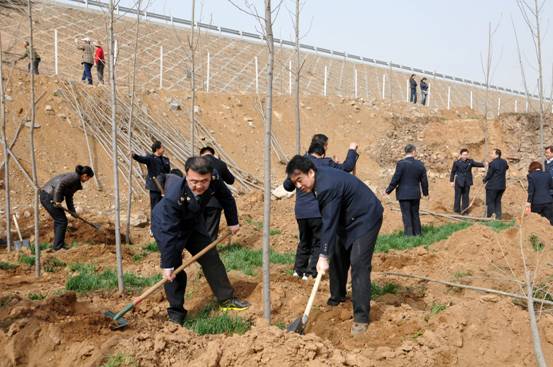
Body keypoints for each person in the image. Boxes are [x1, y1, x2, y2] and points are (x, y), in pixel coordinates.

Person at [286, 155, 384, 335]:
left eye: (300, 180)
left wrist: (323, 256)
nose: (298, 186)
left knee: (358, 263)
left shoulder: (327, 186)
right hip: (345, 218)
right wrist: (327, 252)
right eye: (295, 183)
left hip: (365, 217)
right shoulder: (315, 178)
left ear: (311, 172)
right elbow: (330, 223)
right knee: (338, 255)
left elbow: (329, 222)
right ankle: (337, 298)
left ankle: (361, 318)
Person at [151, 156, 250, 325]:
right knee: (174, 270)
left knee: (211, 258)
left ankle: (226, 299)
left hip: (192, 223)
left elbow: (226, 197)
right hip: (167, 227)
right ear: (187, 176)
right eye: (194, 181)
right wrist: (167, 264)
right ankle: (176, 312)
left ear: (211, 176)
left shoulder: (215, 179)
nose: (199, 186)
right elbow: (169, 233)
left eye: (204, 181)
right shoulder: (173, 197)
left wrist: (233, 221)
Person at [283, 138, 359, 280]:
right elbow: (347, 167)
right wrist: (352, 151)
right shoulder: (325, 163)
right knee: (318, 241)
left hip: (301, 212)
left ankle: (298, 271)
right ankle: (313, 272)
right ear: (323, 150)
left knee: (304, 241)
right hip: (317, 211)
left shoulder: (299, 166)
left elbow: (287, 186)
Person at [40, 165, 94, 251]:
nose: (87, 180)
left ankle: (58, 245)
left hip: (49, 197)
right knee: (61, 220)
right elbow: (60, 184)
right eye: (88, 178)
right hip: (48, 196)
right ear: (85, 175)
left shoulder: (75, 181)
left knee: (60, 220)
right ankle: (58, 247)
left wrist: (73, 212)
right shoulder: (74, 177)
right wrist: (57, 200)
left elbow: (69, 197)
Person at [385, 144, 428, 236]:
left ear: (406, 152)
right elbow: (424, 180)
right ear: (413, 152)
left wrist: (389, 190)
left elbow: (396, 178)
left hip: (403, 194)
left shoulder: (401, 164)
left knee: (406, 214)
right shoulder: (420, 164)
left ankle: (408, 235)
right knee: (415, 214)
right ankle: (418, 233)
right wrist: (425, 193)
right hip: (415, 193)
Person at [199, 146, 235, 241]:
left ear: (201, 155)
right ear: (213, 153)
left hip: (198, 202)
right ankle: (209, 252)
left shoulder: (196, 163)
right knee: (211, 232)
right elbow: (231, 180)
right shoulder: (220, 163)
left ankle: (199, 252)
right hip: (215, 202)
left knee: (199, 229)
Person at [132, 141, 171, 228]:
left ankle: (163, 225)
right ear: (157, 149)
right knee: (155, 207)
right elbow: (141, 159)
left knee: (164, 207)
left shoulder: (165, 160)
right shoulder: (150, 158)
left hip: (164, 188)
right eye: (162, 147)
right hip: (154, 187)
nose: (163, 149)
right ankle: (154, 227)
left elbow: (168, 172)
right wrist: (134, 155)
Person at [449, 149, 486, 214]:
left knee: (465, 196)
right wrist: (451, 181)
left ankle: (465, 211)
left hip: (467, 181)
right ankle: (456, 210)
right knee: (457, 196)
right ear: (461, 155)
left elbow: (477, 164)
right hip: (459, 181)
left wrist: (484, 164)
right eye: (464, 155)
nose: (465, 156)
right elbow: (453, 172)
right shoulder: (456, 162)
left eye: (466, 155)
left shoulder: (470, 161)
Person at [483, 149, 509, 219]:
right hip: (502, 186)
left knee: (490, 201)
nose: (491, 155)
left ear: (497, 155)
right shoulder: (504, 162)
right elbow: (507, 167)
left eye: (492, 153)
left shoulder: (493, 163)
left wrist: (484, 180)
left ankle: (490, 217)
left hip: (492, 186)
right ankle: (498, 217)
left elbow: (489, 174)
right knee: (498, 201)